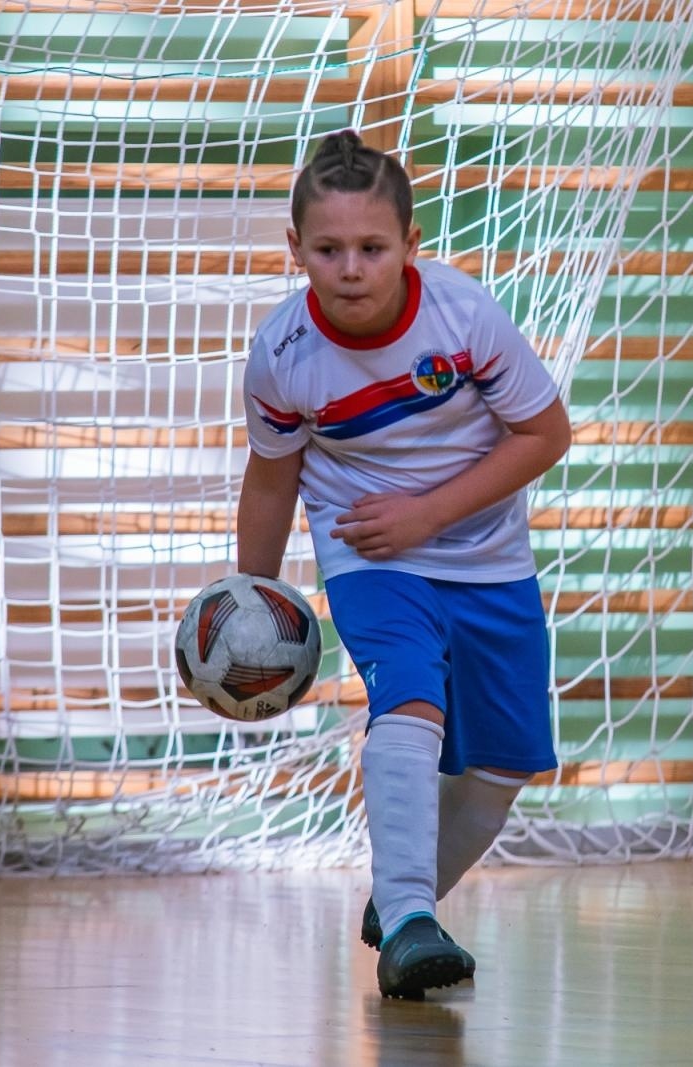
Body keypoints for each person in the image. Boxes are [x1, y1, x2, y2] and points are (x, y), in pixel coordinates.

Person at [236, 130, 571, 1000]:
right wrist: (254, 598)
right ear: (295, 249)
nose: (350, 268)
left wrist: (428, 512)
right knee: (409, 698)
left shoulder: (464, 315)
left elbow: (546, 434)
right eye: (328, 249)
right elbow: (271, 481)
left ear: (410, 246)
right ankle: (414, 918)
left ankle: (400, 901)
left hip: (488, 558)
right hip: (369, 556)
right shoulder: (281, 354)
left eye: (372, 248)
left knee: (505, 767)